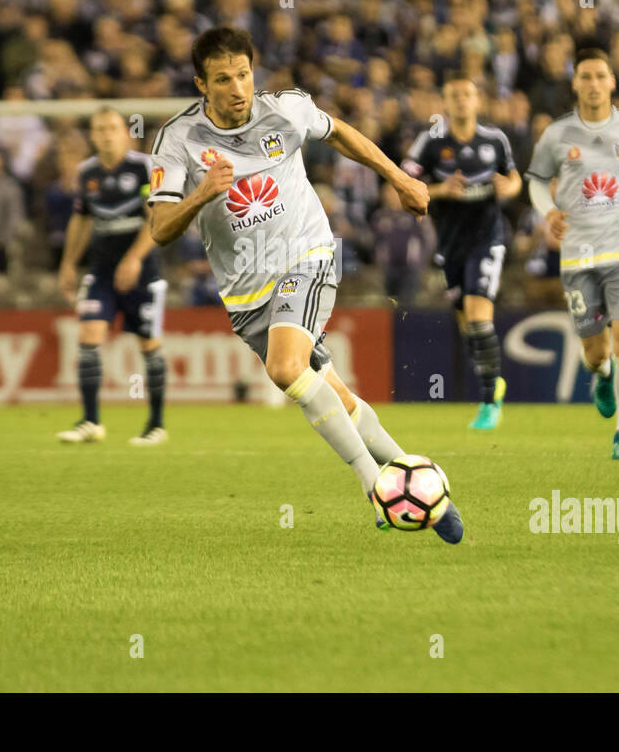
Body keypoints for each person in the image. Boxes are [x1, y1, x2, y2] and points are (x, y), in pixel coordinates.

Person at [146, 27, 463, 542]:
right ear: (201, 83)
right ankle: (417, 481)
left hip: (306, 256)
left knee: (285, 367)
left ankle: (375, 489)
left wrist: (399, 178)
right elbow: (159, 229)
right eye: (223, 79)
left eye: (244, 74)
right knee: (332, 392)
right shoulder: (177, 141)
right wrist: (201, 194)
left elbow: (339, 132)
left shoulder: (286, 110)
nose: (237, 88)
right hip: (246, 292)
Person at [525, 48, 619, 460]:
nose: (593, 84)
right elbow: (536, 182)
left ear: (612, 82)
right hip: (578, 258)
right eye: (585, 77)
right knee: (596, 353)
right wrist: (548, 210)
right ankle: (602, 375)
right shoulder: (556, 135)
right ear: (575, 83)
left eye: (600, 76)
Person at [402, 75, 521, 430]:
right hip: (449, 245)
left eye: (467, 94)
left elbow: (514, 178)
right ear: (446, 102)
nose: (461, 101)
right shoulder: (430, 142)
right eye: (454, 96)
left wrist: (508, 188)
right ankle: (491, 381)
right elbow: (403, 186)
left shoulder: (495, 140)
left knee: (478, 314)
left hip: (487, 239)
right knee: (469, 325)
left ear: (477, 100)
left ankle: (490, 399)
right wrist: (440, 190)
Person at [56, 109, 168, 447]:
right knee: (89, 336)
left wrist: (133, 259)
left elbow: (158, 220)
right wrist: (68, 264)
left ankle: (156, 424)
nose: (106, 134)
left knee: (148, 345)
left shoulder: (143, 168)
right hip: (102, 271)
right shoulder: (86, 173)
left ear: (125, 133)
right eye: (99, 129)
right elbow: (81, 221)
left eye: (113, 128)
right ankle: (91, 421)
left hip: (143, 272)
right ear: (92, 135)